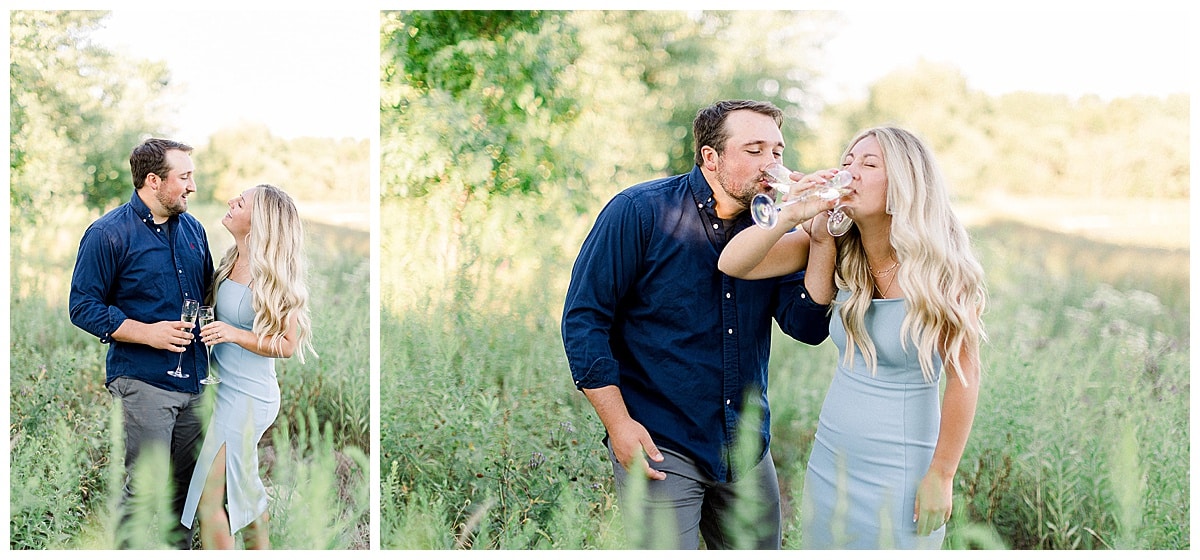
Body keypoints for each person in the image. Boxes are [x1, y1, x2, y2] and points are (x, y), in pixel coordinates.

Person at [561, 100, 835, 549]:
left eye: (778, 152)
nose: (772, 164)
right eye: (755, 150)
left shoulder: (773, 227)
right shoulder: (639, 212)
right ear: (712, 158)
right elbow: (584, 320)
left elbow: (806, 326)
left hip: (745, 448)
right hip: (660, 442)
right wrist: (619, 425)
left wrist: (820, 238)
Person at [719, 126, 986, 549]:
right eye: (847, 162)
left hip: (902, 472)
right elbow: (735, 263)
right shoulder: (839, 243)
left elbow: (964, 377)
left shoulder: (941, 269)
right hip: (832, 462)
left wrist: (943, 473)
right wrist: (794, 214)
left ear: (903, 181)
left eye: (868, 163)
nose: (851, 172)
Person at [69, 138, 214, 549]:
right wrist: (147, 332)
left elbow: (206, 297)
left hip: (196, 383)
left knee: (184, 494)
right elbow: (82, 306)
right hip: (143, 381)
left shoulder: (194, 230)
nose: (192, 187)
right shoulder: (107, 233)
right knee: (145, 487)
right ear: (153, 180)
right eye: (184, 177)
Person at [178, 184, 316, 549]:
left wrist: (235, 336)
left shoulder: (274, 275)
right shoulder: (229, 260)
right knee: (244, 488)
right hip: (221, 389)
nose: (230, 202)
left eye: (240, 202)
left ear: (261, 222)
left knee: (211, 497)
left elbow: (287, 345)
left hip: (250, 397)